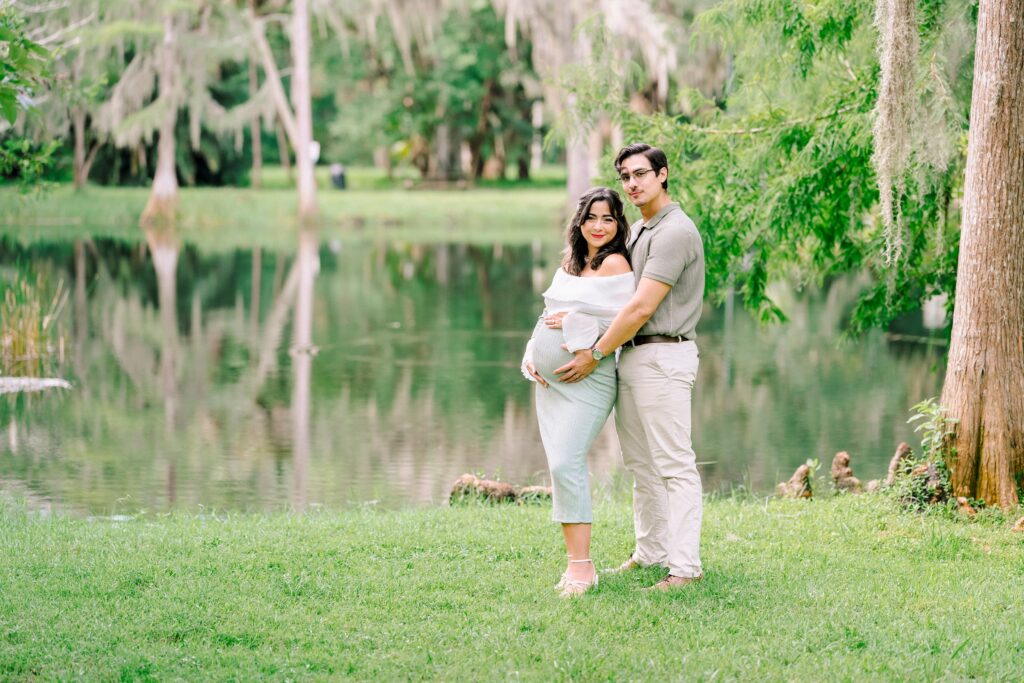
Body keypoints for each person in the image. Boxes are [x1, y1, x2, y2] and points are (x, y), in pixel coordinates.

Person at [554, 143, 706, 591]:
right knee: (641, 464)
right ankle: (651, 552)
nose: (632, 183)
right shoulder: (638, 231)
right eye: (625, 176)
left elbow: (640, 307)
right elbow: (610, 300)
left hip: (664, 355)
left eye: (641, 173)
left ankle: (685, 568)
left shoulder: (674, 232)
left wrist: (596, 352)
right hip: (634, 355)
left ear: (663, 174)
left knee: (674, 464)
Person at [521, 186, 635, 598]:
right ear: (580, 221)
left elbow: (624, 322)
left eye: (608, 219)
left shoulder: (616, 264)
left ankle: (583, 568)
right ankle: (575, 563)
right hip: (551, 384)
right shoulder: (573, 261)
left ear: (618, 223)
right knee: (559, 467)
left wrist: (575, 322)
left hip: (589, 380)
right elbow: (548, 313)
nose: (599, 226)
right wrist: (532, 351)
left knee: (566, 462)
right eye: (591, 218)